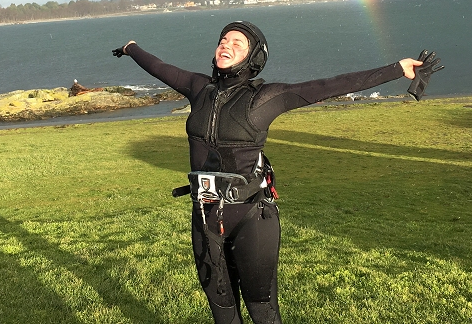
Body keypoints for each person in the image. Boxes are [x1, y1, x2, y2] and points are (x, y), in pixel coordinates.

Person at [113, 21, 442, 324]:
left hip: (253, 217)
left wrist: (397, 69)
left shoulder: (265, 98)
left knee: (262, 308)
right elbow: (159, 67)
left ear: (253, 57)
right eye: (222, 40)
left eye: (238, 44)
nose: (226, 46)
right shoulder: (199, 88)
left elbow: (329, 85)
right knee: (223, 310)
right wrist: (131, 48)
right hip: (205, 214)